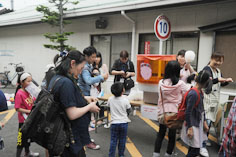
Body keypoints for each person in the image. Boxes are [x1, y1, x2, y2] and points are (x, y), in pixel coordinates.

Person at [48, 50, 100, 157]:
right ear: (72, 63)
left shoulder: (56, 77)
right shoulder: (66, 83)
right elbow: (72, 114)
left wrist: (86, 98)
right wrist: (89, 106)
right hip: (69, 139)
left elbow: (63, 100)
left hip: (60, 135)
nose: (81, 72)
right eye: (81, 68)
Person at [153, 60, 190, 157]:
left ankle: (156, 154)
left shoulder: (161, 83)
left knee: (160, 134)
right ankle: (167, 154)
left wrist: (159, 112)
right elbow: (188, 93)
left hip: (163, 112)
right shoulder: (181, 84)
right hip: (175, 113)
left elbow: (160, 98)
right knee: (172, 136)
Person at [200, 52, 233, 157]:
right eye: (216, 60)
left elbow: (221, 83)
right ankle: (202, 145)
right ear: (211, 59)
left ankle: (203, 140)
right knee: (206, 123)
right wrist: (218, 80)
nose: (218, 62)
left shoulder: (218, 71)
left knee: (209, 123)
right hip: (207, 101)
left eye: (220, 61)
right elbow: (206, 83)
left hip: (214, 101)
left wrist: (226, 80)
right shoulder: (207, 69)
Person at [78, 46, 108, 150]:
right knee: (85, 120)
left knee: (85, 119)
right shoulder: (85, 67)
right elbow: (88, 81)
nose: (95, 59)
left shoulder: (87, 65)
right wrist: (101, 77)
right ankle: (87, 141)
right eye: (93, 57)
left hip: (86, 95)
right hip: (85, 96)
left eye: (95, 57)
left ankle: (85, 139)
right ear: (86, 56)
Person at [181, 70, 210, 157]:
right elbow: (188, 112)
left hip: (197, 122)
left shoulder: (200, 91)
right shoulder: (194, 93)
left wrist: (204, 122)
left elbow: (202, 108)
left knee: (193, 147)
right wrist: (190, 128)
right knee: (195, 150)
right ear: (205, 82)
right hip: (193, 124)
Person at [14, 73, 39, 157]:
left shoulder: (30, 91)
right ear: (22, 82)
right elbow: (17, 108)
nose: (31, 83)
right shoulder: (19, 93)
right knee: (21, 140)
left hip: (30, 119)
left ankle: (27, 153)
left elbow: (35, 100)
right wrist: (29, 111)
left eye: (31, 81)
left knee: (28, 138)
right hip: (23, 120)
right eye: (28, 81)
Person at [108, 82, 131, 157]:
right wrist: (126, 115)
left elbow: (108, 108)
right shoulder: (125, 100)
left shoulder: (110, 99)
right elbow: (129, 110)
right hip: (124, 122)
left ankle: (111, 155)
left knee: (113, 140)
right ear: (123, 90)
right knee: (122, 140)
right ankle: (121, 155)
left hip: (114, 122)